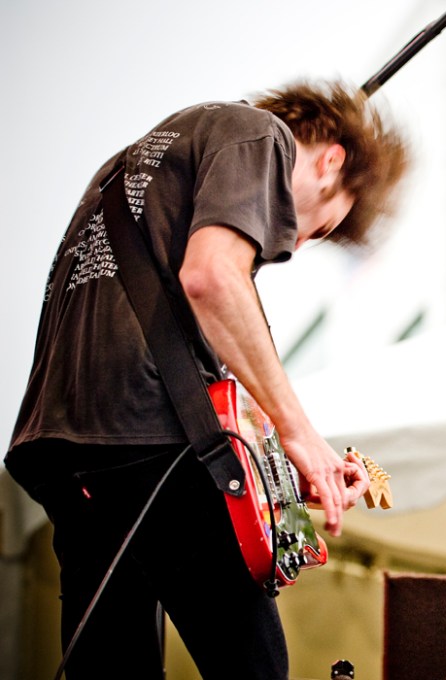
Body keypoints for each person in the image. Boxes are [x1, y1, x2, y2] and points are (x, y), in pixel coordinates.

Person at [4, 79, 409, 679]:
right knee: (254, 665)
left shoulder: (135, 165)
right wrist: (304, 438)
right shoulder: (257, 134)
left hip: (62, 447)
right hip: (149, 442)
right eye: (319, 228)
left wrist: (280, 455)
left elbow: (184, 327)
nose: (294, 245)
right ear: (330, 161)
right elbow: (214, 278)